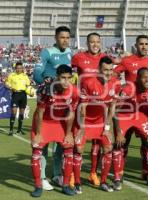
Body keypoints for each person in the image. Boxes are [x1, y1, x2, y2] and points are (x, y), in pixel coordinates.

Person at [114, 35, 148, 179]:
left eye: (146, 44)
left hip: (145, 108)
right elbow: (113, 73)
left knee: (146, 142)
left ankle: (146, 172)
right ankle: (120, 172)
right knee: (124, 142)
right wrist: (121, 87)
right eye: (141, 44)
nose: (144, 46)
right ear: (136, 45)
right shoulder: (127, 61)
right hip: (126, 106)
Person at [73, 56, 120, 193]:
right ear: (99, 69)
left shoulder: (115, 83)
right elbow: (82, 107)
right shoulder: (88, 82)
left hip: (100, 122)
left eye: (111, 70)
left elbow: (112, 107)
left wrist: (107, 128)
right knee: (79, 149)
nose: (108, 73)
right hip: (85, 121)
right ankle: (76, 182)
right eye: (105, 70)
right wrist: (81, 127)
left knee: (108, 148)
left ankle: (104, 181)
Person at [33, 26, 72, 190]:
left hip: (63, 101)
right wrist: (46, 81)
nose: (65, 40)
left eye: (67, 37)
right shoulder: (47, 52)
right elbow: (36, 72)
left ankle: (57, 175)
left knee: (61, 143)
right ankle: (41, 177)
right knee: (44, 141)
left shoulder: (70, 52)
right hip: (48, 97)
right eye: (62, 37)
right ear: (56, 38)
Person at [30, 65, 78, 197]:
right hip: (43, 122)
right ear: (57, 77)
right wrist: (39, 134)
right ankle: (38, 185)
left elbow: (71, 113)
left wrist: (68, 133)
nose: (66, 81)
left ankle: (66, 184)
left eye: (69, 78)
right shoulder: (46, 89)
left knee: (69, 149)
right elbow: (40, 112)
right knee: (36, 150)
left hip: (60, 122)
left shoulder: (74, 91)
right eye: (63, 78)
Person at [112, 68, 148, 190]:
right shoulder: (128, 88)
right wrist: (118, 132)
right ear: (137, 78)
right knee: (120, 144)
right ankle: (117, 178)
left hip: (140, 116)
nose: (147, 80)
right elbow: (114, 110)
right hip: (124, 115)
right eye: (144, 77)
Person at [71, 32, 109, 186]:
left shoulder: (106, 58)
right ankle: (73, 174)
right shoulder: (78, 57)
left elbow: (111, 76)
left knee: (97, 144)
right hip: (82, 106)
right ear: (87, 43)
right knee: (78, 143)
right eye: (92, 42)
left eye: (97, 41)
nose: (95, 44)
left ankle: (93, 173)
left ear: (100, 42)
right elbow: (68, 75)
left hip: (99, 109)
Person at [5, 62, 31, 135]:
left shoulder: (25, 76)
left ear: (22, 68)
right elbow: (6, 83)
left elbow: (28, 85)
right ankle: (11, 130)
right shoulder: (11, 75)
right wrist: (10, 87)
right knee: (13, 112)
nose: (19, 69)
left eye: (20, 68)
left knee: (22, 113)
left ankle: (19, 129)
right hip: (15, 94)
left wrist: (30, 91)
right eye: (17, 68)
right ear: (15, 68)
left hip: (23, 95)